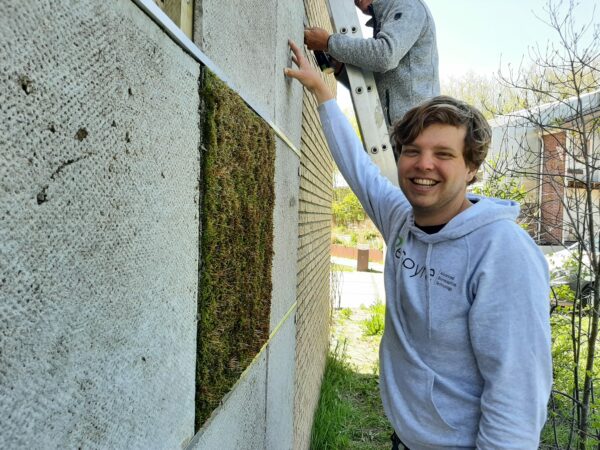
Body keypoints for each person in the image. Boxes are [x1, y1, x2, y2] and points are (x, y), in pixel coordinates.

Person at [285, 40, 552, 449]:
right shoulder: (400, 220)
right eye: (413, 151)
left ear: (472, 168)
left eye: (443, 153)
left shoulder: (501, 250)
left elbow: (516, 390)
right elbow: (359, 170)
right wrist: (323, 94)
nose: (423, 164)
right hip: (406, 438)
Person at [304, 0, 440, 128]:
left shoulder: (409, 5)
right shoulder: (387, 19)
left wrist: (329, 43)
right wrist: (340, 68)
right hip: (398, 134)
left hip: (416, 130)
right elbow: (374, 82)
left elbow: (385, 56)